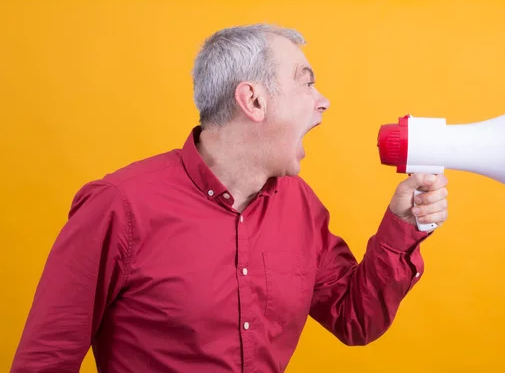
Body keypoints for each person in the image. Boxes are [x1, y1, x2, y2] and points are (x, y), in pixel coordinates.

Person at [11, 24, 448, 373]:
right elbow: (45, 362)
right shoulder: (118, 207)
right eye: (305, 83)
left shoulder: (300, 205)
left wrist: (402, 226)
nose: (323, 101)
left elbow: (355, 318)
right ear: (252, 100)